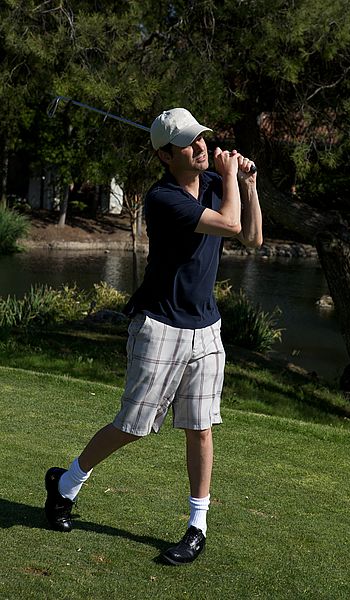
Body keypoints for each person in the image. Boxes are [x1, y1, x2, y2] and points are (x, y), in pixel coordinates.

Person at [44, 107, 263, 566]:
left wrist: (248, 184)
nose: (201, 146)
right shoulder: (163, 199)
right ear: (166, 156)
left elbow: (254, 238)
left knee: (200, 429)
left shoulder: (212, 185)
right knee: (133, 426)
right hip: (160, 324)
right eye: (189, 142)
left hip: (206, 328)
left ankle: (196, 527)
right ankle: (65, 484)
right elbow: (231, 226)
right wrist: (229, 176)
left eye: (202, 137)